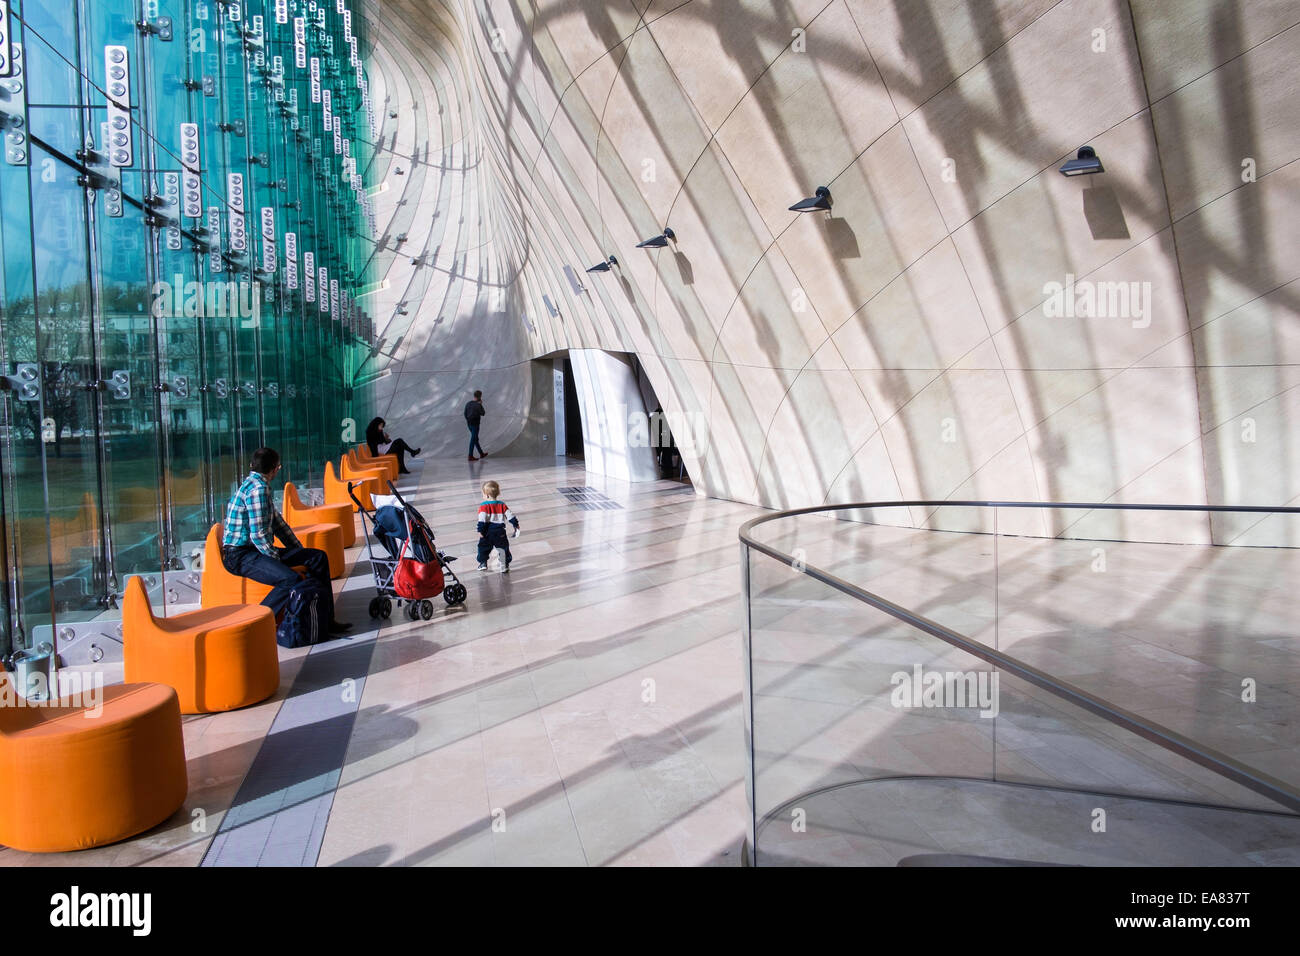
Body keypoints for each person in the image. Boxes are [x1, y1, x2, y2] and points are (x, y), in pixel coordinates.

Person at [220, 447, 352, 634]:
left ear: (252, 466)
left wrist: (299, 552)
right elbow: (258, 535)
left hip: (254, 551)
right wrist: (279, 561)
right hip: (240, 555)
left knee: (317, 557)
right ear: (276, 469)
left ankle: (325, 620)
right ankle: (258, 625)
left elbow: (278, 525)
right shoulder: (258, 490)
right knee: (290, 579)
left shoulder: (255, 484)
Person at [475, 479, 520, 573]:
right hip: (500, 532)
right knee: (503, 549)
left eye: (483, 494)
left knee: (483, 548)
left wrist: (480, 531)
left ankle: (483, 563)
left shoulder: (483, 506)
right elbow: (510, 516)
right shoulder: (502, 505)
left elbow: (482, 519)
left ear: (486, 495)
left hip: (487, 532)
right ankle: (504, 565)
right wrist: (515, 525)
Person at [464, 390, 487, 461]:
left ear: (474, 396)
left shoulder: (468, 403)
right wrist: (480, 404)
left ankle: (481, 454)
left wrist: (468, 420)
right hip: (475, 425)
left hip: (469, 424)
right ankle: (470, 456)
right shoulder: (478, 405)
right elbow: (483, 413)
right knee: (473, 439)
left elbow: (465, 413)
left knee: (475, 439)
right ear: (480, 396)